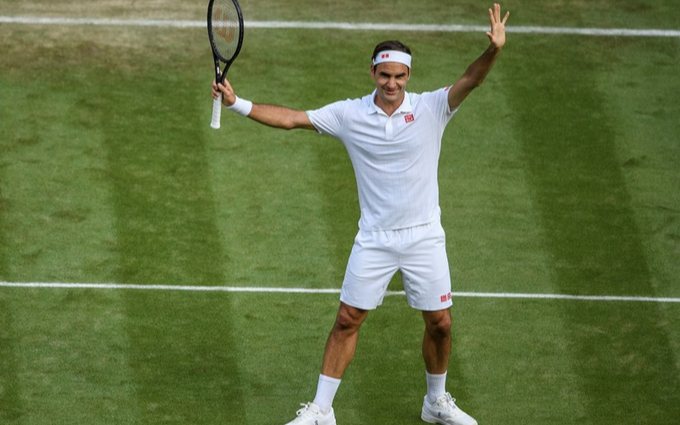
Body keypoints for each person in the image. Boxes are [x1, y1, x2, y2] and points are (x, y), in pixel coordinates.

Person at [213, 4, 509, 425]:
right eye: (385, 75)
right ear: (373, 73)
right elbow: (293, 120)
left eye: (400, 76)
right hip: (375, 238)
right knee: (347, 319)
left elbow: (472, 79)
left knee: (440, 323)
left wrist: (494, 50)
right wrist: (236, 102)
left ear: (409, 77)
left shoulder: (432, 108)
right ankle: (321, 410)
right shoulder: (349, 114)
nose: (392, 83)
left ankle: (436, 403)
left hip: (424, 236)